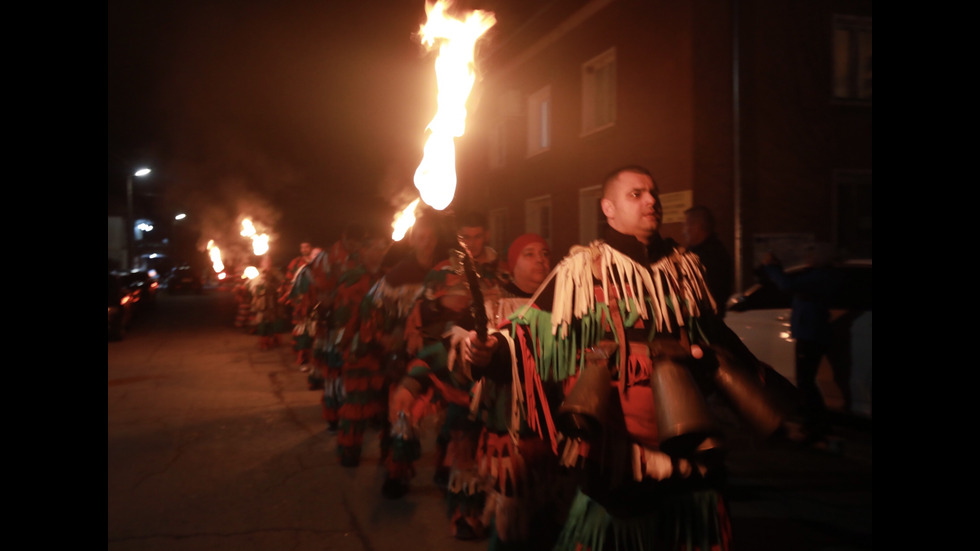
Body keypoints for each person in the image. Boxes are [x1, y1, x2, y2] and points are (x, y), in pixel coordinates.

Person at [466, 166, 785, 551]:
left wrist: (777, 391)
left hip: (694, 453)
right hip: (620, 461)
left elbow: (718, 338)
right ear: (608, 208)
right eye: (636, 194)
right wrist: (489, 352)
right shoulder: (580, 272)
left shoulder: (684, 269)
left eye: (653, 193)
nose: (652, 200)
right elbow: (526, 334)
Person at [403, 211, 506, 540]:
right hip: (452, 361)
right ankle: (463, 512)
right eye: (464, 237)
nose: (471, 243)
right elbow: (424, 314)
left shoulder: (499, 270)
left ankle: (491, 504)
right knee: (461, 432)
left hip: (494, 358)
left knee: (485, 435)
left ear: (486, 235)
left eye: (477, 236)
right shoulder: (441, 272)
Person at [357, 212, 448, 499]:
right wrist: (384, 336)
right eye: (421, 236)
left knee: (449, 412)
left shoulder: (446, 270)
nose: (426, 242)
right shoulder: (396, 275)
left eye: (431, 236)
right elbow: (371, 308)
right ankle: (397, 471)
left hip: (441, 352)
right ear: (412, 239)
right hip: (405, 354)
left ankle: (445, 467)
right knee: (401, 414)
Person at [762, 243, 846, 445]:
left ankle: (816, 424)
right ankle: (817, 423)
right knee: (807, 380)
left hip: (811, 334)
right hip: (811, 333)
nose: (808, 258)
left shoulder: (819, 277)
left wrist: (772, 268)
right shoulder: (819, 275)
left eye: (812, 254)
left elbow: (787, 285)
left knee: (806, 381)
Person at [330, 230, 393, 466]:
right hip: (360, 351)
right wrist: (346, 345)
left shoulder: (388, 277)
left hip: (384, 352)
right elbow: (345, 319)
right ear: (362, 251)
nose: (378, 253)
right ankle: (349, 450)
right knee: (356, 403)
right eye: (373, 248)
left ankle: (389, 457)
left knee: (387, 405)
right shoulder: (353, 280)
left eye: (381, 248)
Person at [683, 206, 734, 317]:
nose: (684, 230)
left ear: (697, 226)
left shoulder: (712, 256)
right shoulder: (696, 252)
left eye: (686, 224)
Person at [280, 241, 315, 366]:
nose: (304, 249)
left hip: (315, 301)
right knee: (301, 327)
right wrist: (287, 293)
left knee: (313, 328)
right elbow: (289, 279)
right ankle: (301, 354)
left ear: (311, 248)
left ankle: (312, 354)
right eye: (302, 247)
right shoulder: (296, 262)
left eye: (307, 247)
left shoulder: (315, 262)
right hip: (300, 301)